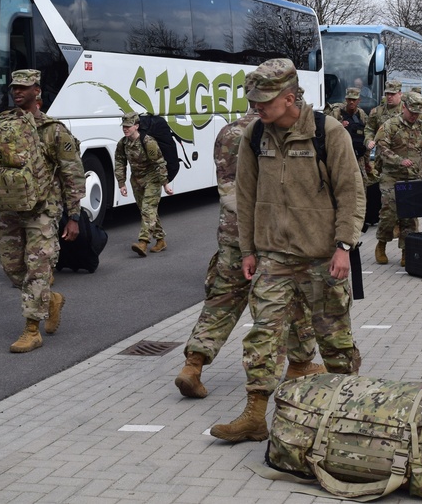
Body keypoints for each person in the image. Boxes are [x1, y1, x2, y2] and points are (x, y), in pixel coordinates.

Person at [209, 58, 364, 443]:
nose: (257, 107)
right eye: (255, 100)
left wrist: (344, 246)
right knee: (263, 336)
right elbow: (245, 197)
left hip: (322, 257)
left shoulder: (328, 134)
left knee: (335, 341)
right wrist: (248, 249)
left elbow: (351, 193)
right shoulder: (254, 136)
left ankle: (349, 414)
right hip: (274, 257)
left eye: (265, 100)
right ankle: (254, 416)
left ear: (290, 98)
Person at [174, 110, 324, 399]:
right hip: (274, 234)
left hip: (233, 232)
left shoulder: (228, 132)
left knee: (222, 299)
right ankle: (300, 363)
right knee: (292, 299)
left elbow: (226, 182)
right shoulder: (283, 132)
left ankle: (193, 365)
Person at [0, 69, 87, 352]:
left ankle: (31, 330)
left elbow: (72, 173)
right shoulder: (4, 126)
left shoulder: (53, 130)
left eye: (24, 87)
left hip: (43, 210)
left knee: (38, 269)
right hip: (10, 209)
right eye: (15, 87)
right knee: (13, 268)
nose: (17, 91)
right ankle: (51, 300)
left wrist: (73, 216)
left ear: (37, 91)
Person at [373, 91, 422, 266]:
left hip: (413, 177)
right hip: (391, 176)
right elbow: (382, 148)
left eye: (417, 113)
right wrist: (399, 160)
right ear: (404, 107)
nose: (414, 116)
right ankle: (381, 243)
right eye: (411, 113)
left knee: (409, 216)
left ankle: (406, 251)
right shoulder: (390, 125)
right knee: (389, 212)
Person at [115, 112, 174, 256]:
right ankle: (160, 240)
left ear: (136, 126)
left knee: (148, 209)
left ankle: (143, 242)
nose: (125, 129)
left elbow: (159, 162)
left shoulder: (148, 142)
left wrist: (165, 183)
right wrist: (121, 183)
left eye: (128, 126)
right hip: (136, 180)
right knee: (147, 211)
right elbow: (119, 163)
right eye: (124, 126)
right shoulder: (123, 143)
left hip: (153, 178)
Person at [363, 79, 404, 185]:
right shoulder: (377, 112)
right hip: (383, 160)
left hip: (403, 159)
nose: (389, 96)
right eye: (387, 94)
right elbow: (369, 129)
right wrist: (368, 140)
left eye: (392, 93)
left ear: (400, 93)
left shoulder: (406, 111)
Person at [332, 87, 369, 179]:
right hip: (341, 155)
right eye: (349, 99)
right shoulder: (336, 113)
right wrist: (339, 126)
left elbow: (368, 133)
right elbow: (326, 130)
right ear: (346, 99)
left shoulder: (362, 114)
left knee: (361, 182)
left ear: (358, 100)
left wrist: (367, 159)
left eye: (354, 99)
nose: (351, 102)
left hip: (358, 156)